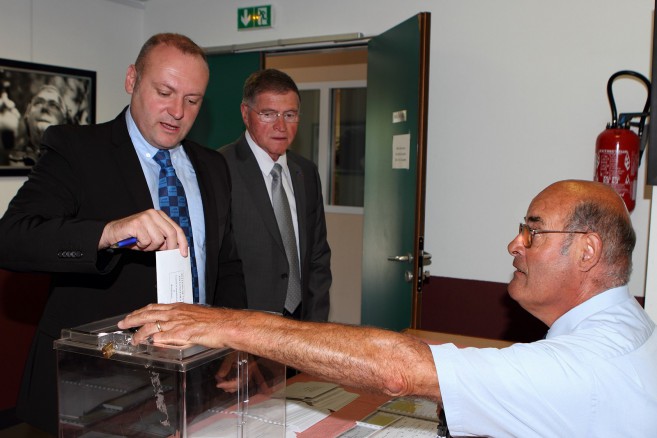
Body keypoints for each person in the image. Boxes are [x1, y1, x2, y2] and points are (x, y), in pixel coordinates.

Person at [119, 179, 657, 437]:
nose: (514, 245)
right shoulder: (623, 325)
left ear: (586, 251)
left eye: (532, 232)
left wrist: (231, 324)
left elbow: (398, 369)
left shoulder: (586, 366)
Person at [0, 33, 246, 435]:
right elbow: (12, 238)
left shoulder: (212, 167)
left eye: (192, 100)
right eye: (164, 92)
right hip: (96, 382)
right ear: (132, 79)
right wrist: (110, 232)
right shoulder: (77, 150)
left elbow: (226, 264)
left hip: (192, 374)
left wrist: (231, 344)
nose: (177, 112)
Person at [219, 68, 331, 321]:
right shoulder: (219, 169)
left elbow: (318, 255)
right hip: (246, 326)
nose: (281, 126)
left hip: (301, 323)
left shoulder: (306, 172)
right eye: (268, 114)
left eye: (290, 115)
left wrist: (315, 325)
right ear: (246, 114)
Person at [8, 84, 69, 166]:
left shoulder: (75, 163)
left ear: (64, 120)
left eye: (53, 105)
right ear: (27, 113)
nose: (45, 108)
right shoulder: (6, 159)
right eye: (38, 103)